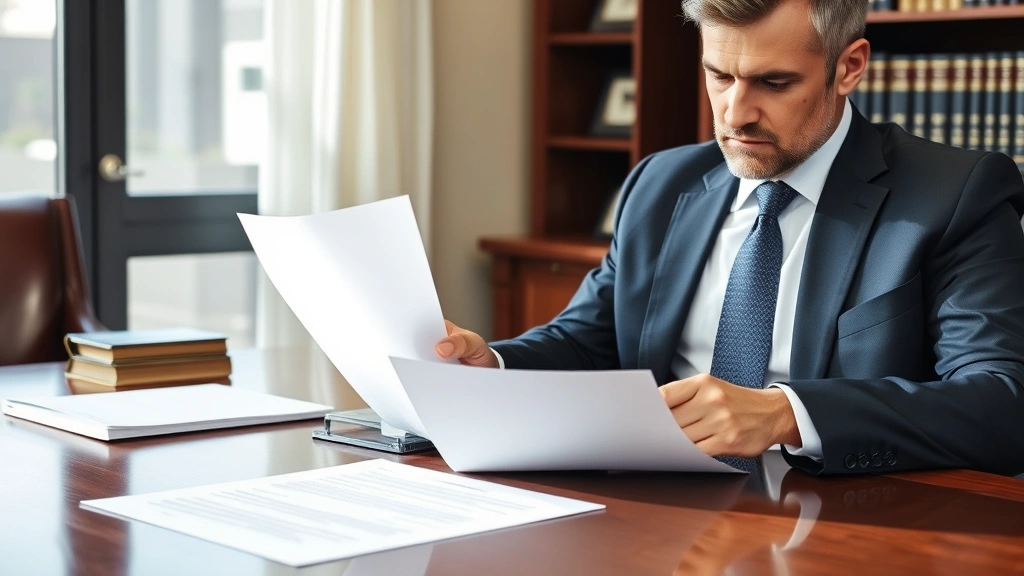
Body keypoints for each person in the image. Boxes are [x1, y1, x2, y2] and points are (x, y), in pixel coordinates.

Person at [435, 0, 1024, 476]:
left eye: (773, 82)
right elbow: (592, 341)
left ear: (849, 67)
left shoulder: (954, 196)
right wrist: (498, 363)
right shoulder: (661, 183)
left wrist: (787, 414)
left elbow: (1001, 402)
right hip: (654, 510)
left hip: (837, 517)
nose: (736, 113)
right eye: (720, 75)